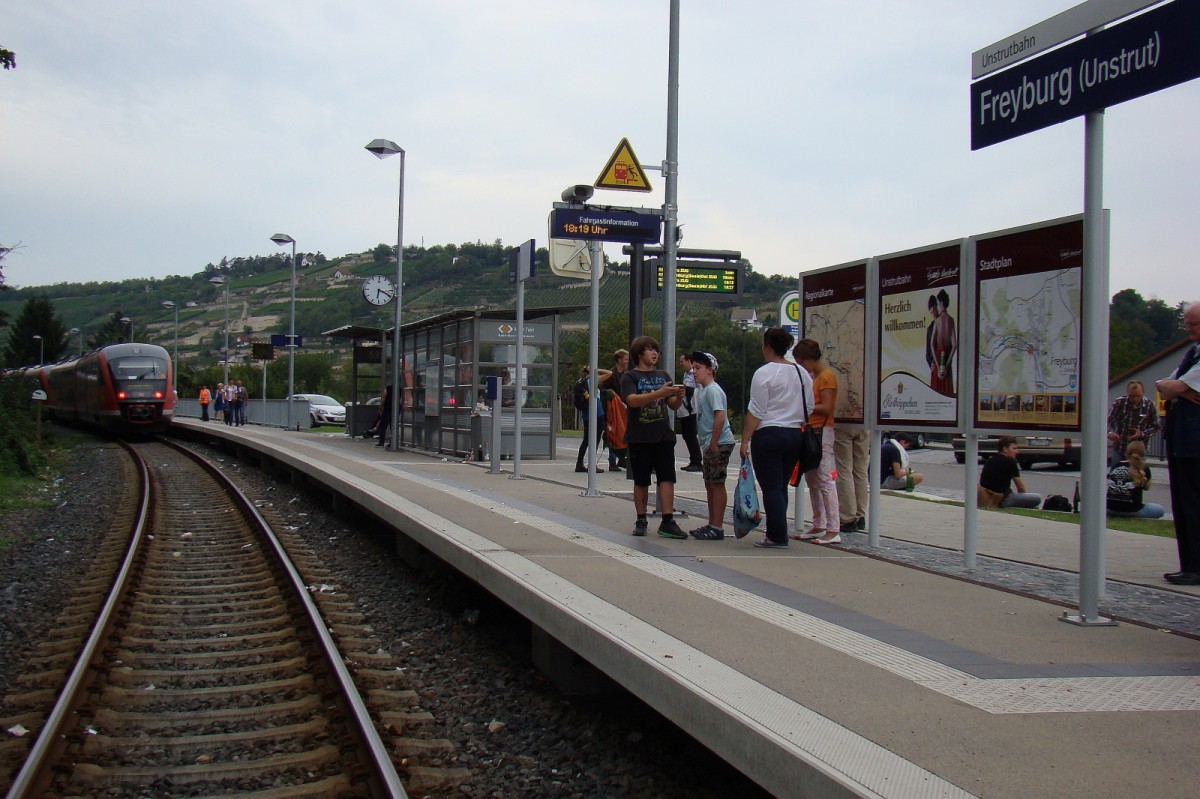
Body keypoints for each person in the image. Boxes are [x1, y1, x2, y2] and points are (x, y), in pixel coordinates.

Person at [740, 327, 812, 549]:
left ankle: (777, 535)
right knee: (780, 486)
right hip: (794, 433)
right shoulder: (802, 373)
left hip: (769, 433)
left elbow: (757, 410)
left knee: (770, 487)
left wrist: (745, 440)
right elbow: (809, 406)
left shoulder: (764, 373)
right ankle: (778, 530)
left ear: (768, 346)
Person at [620, 335, 687, 539]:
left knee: (667, 477)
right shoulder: (630, 377)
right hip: (640, 435)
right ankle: (641, 518)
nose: (654, 353)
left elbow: (671, 405)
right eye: (650, 349)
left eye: (656, 349)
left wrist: (678, 398)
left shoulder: (663, 374)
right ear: (639, 354)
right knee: (641, 480)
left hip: (663, 434)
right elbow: (632, 401)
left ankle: (667, 520)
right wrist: (659, 392)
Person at [1156, 301, 1200, 585]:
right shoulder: (1192, 354)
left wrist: (1179, 389)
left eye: (1194, 324)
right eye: (1187, 324)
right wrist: (1182, 390)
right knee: (1183, 505)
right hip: (1182, 440)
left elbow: (1176, 386)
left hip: (1195, 443)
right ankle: (1189, 563)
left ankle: (1195, 566)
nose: (1189, 330)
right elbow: (1164, 385)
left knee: (1194, 504)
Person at [792, 339, 840, 544]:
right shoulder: (813, 376)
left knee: (824, 478)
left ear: (808, 360)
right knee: (812, 479)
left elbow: (827, 407)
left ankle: (833, 527)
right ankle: (819, 523)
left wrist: (806, 406)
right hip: (812, 429)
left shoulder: (826, 377)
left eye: (802, 363)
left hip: (823, 430)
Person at [687, 352, 735, 540]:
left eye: (698, 368)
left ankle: (717, 525)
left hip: (719, 443)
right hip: (708, 443)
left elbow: (720, 416)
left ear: (710, 370)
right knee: (709, 483)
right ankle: (712, 522)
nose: (694, 372)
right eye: (693, 368)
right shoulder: (702, 390)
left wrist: (714, 442)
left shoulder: (713, 390)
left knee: (716, 483)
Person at [978, 435, 1042, 509]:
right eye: (1014, 448)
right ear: (1005, 449)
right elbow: (1020, 487)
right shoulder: (1010, 462)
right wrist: (1022, 497)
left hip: (985, 498)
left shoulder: (990, 460)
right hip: (1002, 499)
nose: (1017, 451)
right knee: (1037, 498)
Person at [1106, 379, 1160, 466]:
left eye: (1138, 396)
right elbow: (1107, 421)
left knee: (1138, 476)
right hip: (1120, 447)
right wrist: (1110, 433)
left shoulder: (1149, 405)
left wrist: (1142, 433)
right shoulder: (1119, 403)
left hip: (1138, 449)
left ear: (1143, 393)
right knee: (1117, 474)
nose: (1135, 399)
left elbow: (1156, 427)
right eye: (1131, 396)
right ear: (1127, 393)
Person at [1106, 441, 1165, 519]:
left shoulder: (1116, 465)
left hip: (1110, 508)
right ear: (1143, 453)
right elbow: (1147, 488)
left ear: (1127, 452)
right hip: (1133, 510)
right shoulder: (1143, 468)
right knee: (1159, 509)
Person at [574, 365, 611, 472]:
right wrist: (596, 370)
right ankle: (592, 464)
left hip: (586, 412)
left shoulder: (581, 381)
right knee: (596, 438)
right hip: (596, 411)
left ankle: (579, 463)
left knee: (586, 439)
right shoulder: (593, 380)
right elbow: (609, 373)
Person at [834, 427, 870, 533]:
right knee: (861, 471)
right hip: (864, 423)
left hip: (843, 421)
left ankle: (848, 517)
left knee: (844, 470)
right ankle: (860, 515)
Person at [601, 349, 630, 472]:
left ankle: (622, 457)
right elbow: (603, 390)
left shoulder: (627, 374)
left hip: (624, 408)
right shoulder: (611, 374)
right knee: (612, 432)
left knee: (623, 432)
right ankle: (612, 460)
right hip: (612, 408)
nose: (627, 361)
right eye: (626, 359)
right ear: (619, 360)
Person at [676, 353, 703, 472]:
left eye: (682, 361)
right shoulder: (687, 374)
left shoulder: (693, 374)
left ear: (688, 361)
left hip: (690, 408)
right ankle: (693, 460)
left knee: (690, 435)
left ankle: (697, 461)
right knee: (687, 435)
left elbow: (697, 390)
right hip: (686, 408)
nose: (680, 364)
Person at [930, 289, 957, 397]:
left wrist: (937, 365)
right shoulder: (951, 320)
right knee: (947, 393)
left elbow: (932, 344)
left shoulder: (937, 321)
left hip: (938, 356)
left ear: (941, 303)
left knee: (936, 393)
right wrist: (946, 364)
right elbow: (955, 344)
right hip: (947, 359)